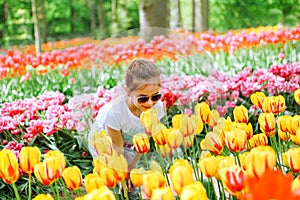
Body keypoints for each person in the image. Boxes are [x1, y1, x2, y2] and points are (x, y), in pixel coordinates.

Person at [88, 58, 165, 199]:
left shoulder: (157, 109)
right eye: (142, 98)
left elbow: (144, 142)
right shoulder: (115, 112)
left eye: (156, 96)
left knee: (131, 182)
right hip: (104, 143)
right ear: (128, 92)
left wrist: (131, 167)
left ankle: (131, 194)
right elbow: (117, 148)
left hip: (129, 144)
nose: (150, 103)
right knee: (112, 178)